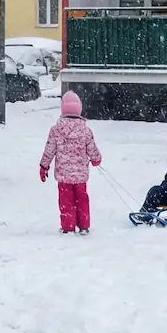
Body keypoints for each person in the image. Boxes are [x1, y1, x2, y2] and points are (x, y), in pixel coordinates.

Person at [39, 91, 102, 235]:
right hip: (80, 176)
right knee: (82, 200)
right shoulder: (86, 131)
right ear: (79, 109)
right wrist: (96, 159)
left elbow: (49, 150)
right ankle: (84, 226)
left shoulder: (56, 130)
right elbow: (92, 149)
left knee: (66, 202)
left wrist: (44, 166)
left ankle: (68, 227)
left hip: (64, 176)